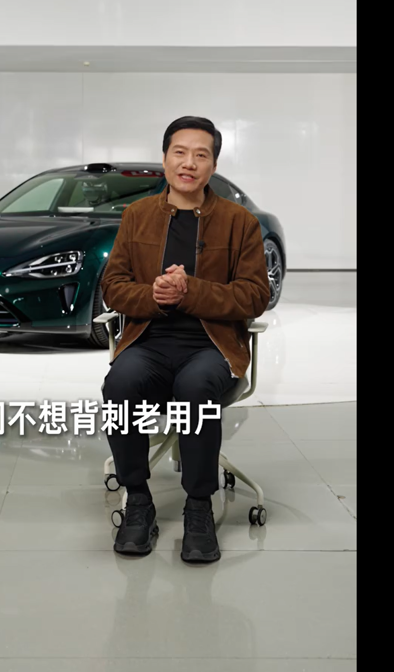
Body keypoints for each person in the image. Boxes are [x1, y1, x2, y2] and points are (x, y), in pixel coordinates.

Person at [100, 116, 272, 561]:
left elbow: (256, 296)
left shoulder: (239, 222)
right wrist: (153, 295)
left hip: (212, 347)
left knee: (195, 387)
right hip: (149, 342)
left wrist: (191, 291)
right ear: (165, 159)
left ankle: (199, 507)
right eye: (180, 152)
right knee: (120, 383)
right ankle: (138, 502)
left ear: (213, 164)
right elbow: (113, 287)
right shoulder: (137, 216)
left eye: (201, 155)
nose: (189, 163)